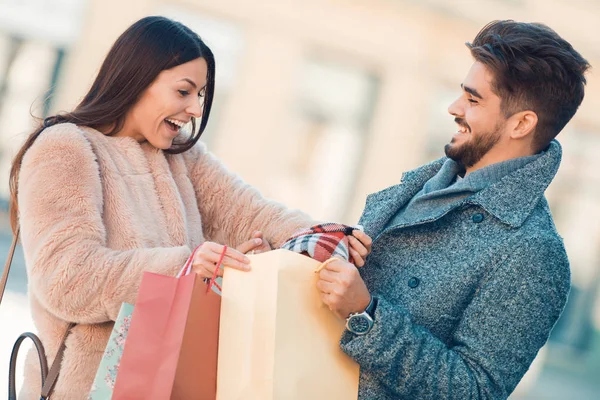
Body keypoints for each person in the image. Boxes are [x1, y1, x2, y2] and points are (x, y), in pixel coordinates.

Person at [9, 16, 371, 399]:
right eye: (184, 91)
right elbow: (65, 279)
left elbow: (253, 214)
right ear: (137, 79)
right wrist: (183, 266)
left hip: (173, 383)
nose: (195, 109)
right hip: (82, 389)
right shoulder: (65, 147)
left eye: (200, 94)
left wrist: (329, 237)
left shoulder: (182, 157)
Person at [316, 20, 590, 399]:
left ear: (522, 123)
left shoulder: (533, 253)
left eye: (473, 100)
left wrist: (365, 316)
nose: (454, 107)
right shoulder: (423, 183)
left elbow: (475, 391)